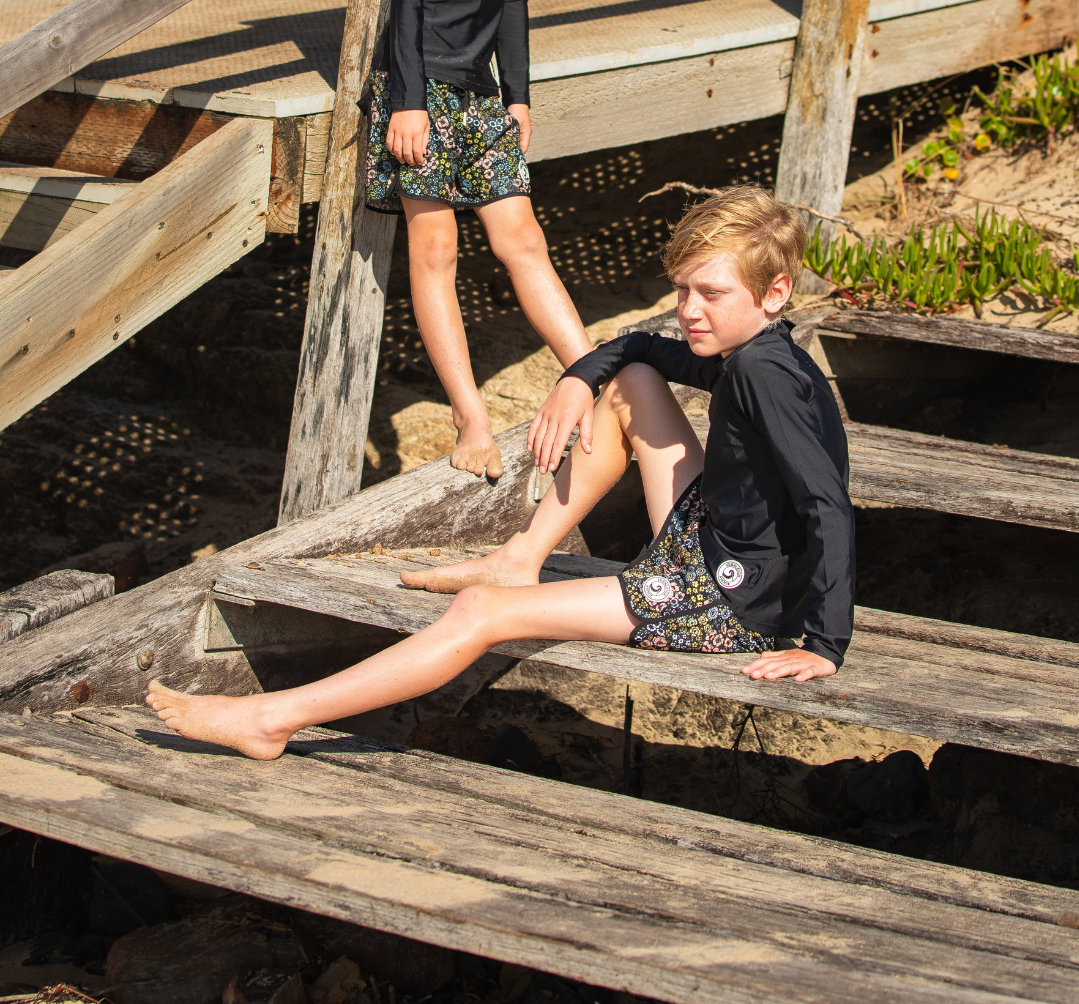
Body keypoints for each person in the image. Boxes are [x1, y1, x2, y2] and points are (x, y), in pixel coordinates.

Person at [146, 186, 855, 761]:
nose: (689, 310)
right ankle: (522, 556)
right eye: (682, 290)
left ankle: (274, 719)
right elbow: (641, 344)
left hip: (725, 595)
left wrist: (822, 644)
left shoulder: (764, 373)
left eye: (710, 294)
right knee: (633, 375)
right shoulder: (759, 348)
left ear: (775, 291)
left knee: (480, 613)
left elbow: (827, 503)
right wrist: (580, 377)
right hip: (715, 537)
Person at [363, 0, 593, 481]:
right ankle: (471, 418)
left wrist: (518, 93)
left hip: (482, 95)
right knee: (437, 251)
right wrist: (407, 101)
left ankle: (594, 369)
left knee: (521, 238)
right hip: (421, 90)